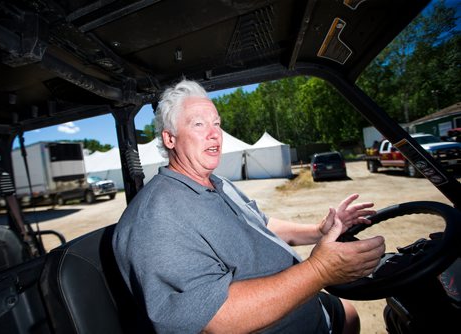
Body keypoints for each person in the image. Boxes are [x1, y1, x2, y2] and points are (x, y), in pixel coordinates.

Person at [113, 79, 385, 334]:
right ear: (170, 139)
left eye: (217, 124)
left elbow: (261, 225)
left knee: (349, 314)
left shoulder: (218, 183)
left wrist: (319, 231)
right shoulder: (157, 218)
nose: (214, 134)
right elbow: (214, 318)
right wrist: (319, 271)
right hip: (273, 323)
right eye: (198, 125)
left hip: (303, 305)